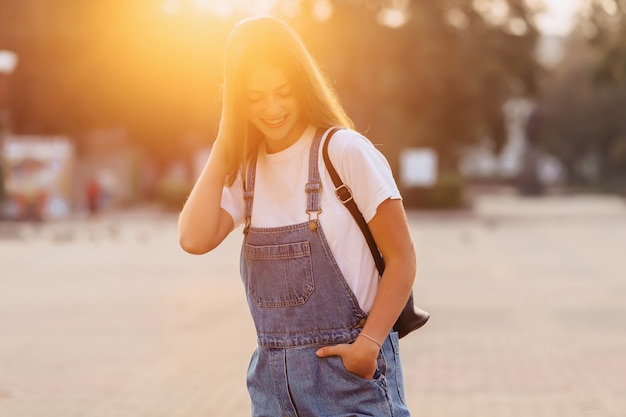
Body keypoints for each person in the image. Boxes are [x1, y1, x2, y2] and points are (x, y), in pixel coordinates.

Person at [178, 16, 416, 417]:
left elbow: (403, 259)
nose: (271, 108)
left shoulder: (343, 152)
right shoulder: (246, 172)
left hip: (349, 386)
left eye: (282, 92)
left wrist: (369, 346)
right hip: (272, 393)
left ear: (303, 85)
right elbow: (194, 239)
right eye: (253, 98)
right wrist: (223, 143)